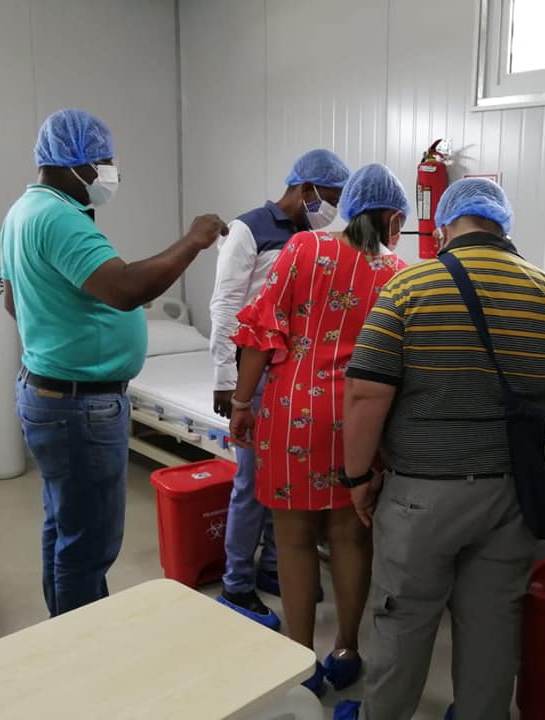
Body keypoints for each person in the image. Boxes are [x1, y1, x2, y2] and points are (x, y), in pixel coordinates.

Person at [335, 178, 545, 719]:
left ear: (444, 227)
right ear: (503, 225)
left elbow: (365, 393)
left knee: (403, 620)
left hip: (421, 495)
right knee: (493, 625)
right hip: (513, 497)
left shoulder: (410, 287)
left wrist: (358, 478)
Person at [0, 109, 227, 617]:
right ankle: (85, 642)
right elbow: (125, 289)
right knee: (89, 544)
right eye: (103, 161)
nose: (110, 172)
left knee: (64, 527)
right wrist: (193, 241)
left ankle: (65, 627)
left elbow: (15, 303)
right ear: (75, 161)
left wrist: (66, 329)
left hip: (48, 393)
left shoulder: (22, 212)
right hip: (79, 405)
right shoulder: (60, 217)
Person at [228, 163, 409, 696]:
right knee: (352, 538)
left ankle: (301, 660)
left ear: (348, 206)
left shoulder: (303, 248)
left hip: (294, 415)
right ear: (394, 218)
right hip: (362, 421)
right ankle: (346, 649)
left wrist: (241, 402)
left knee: (294, 540)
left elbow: (261, 330)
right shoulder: (399, 272)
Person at [210, 150, 350, 629]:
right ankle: (236, 583)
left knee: (282, 484)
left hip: (289, 376)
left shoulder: (313, 238)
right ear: (306, 189)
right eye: (329, 198)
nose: (332, 209)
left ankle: (274, 566)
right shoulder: (249, 228)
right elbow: (226, 305)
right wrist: (226, 379)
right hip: (252, 372)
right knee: (251, 484)